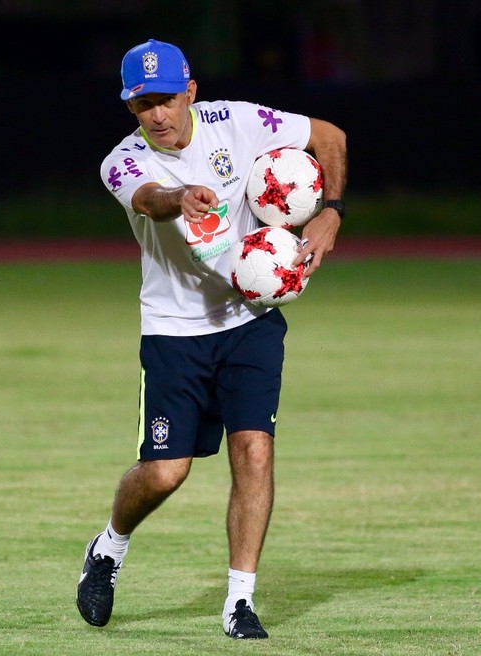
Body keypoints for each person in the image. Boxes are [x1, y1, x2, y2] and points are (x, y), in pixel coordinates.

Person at [76, 38, 347, 640]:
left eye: (167, 99)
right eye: (143, 104)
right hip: (175, 333)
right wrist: (181, 197)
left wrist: (331, 209)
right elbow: (149, 199)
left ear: (190, 91)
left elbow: (328, 135)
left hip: (250, 319)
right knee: (167, 472)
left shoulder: (239, 123)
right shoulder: (122, 161)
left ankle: (239, 602)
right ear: (130, 108)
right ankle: (109, 547)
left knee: (254, 451)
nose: (158, 115)